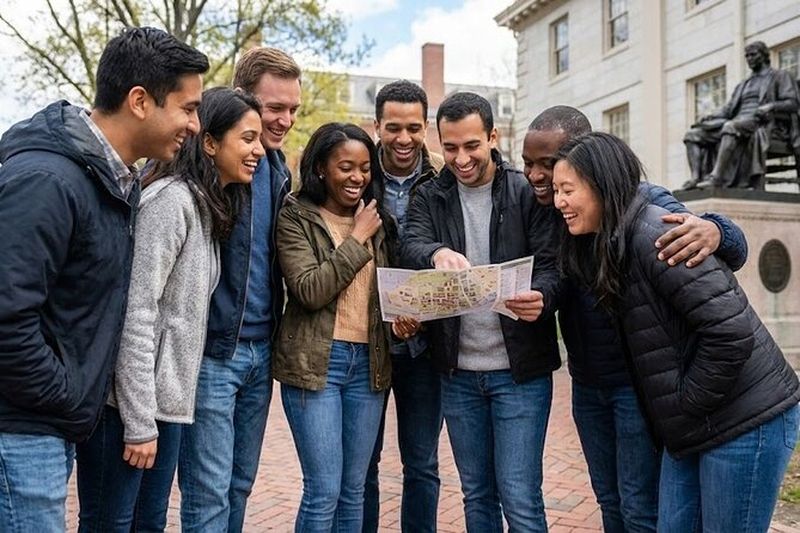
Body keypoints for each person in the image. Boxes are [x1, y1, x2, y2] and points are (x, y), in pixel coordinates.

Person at [0, 27, 207, 533]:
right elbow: (7, 317)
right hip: (21, 429)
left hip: (48, 424)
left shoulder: (113, 182)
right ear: (140, 101)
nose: (196, 125)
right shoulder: (49, 180)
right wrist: (67, 393)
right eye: (187, 108)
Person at [553, 131, 800, 533]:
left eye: (567, 190)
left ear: (602, 185)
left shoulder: (658, 235)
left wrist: (685, 403)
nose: (559, 202)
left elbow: (730, 333)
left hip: (746, 418)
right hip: (693, 426)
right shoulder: (608, 242)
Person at [522, 105, 748, 532]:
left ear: (584, 158)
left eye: (547, 165)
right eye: (528, 163)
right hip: (588, 383)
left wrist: (717, 229)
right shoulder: (552, 210)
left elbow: (725, 249)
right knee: (609, 499)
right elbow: (558, 279)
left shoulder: (641, 202)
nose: (537, 175)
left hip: (635, 386)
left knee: (639, 505)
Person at [75, 88, 264, 532]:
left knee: (149, 523)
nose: (259, 150)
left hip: (166, 408)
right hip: (126, 410)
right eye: (248, 138)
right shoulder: (171, 202)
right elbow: (137, 314)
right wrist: (140, 423)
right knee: (110, 523)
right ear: (212, 143)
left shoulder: (205, 206)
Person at [401, 92, 561, 532]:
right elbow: (410, 241)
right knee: (477, 495)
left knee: (521, 498)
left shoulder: (525, 191)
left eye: (471, 145)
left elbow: (553, 264)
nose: (461, 158)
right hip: (459, 374)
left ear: (492, 136)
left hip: (520, 373)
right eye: (449, 147)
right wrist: (436, 252)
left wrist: (543, 297)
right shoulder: (430, 194)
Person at [177, 47, 301, 533]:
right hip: (213, 353)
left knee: (240, 484)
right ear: (242, 98)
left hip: (260, 353)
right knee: (207, 492)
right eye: (275, 108)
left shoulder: (278, 169)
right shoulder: (203, 170)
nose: (286, 120)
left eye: (293, 108)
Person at [274, 122, 406, 531]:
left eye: (365, 168)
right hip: (317, 366)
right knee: (324, 490)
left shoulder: (379, 222)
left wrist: (403, 319)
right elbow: (310, 290)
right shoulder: (296, 217)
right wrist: (356, 239)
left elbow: (386, 292)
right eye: (345, 167)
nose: (357, 177)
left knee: (354, 490)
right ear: (320, 169)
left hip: (369, 365)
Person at [363, 79, 444, 533]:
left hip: (425, 349)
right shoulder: (354, 173)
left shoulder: (442, 181)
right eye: (393, 127)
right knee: (363, 466)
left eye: (414, 128)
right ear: (377, 125)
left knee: (422, 464)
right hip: (367, 343)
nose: (403, 139)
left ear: (425, 127)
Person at [683, 41, 800, 189]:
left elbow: (792, 103)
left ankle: (717, 177)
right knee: (693, 135)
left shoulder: (779, 76)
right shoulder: (744, 84)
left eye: (753, 55)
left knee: (730, 126)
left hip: (763, 123)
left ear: (764, 55)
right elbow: (729, 109)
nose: (749, 59)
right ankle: (695, 178)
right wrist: (712, 116)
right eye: (747, 56)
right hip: (739, 122)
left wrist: (770, 106)